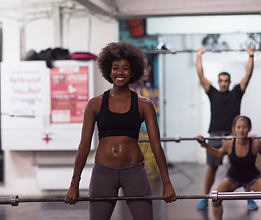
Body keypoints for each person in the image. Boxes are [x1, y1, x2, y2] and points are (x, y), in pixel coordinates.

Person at [64, 42, 176, 219]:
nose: (120, 72)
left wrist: (167, 183)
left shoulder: (144, 104)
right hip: (103, 173)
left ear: (133, 72)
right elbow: (84, 145)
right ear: (109, 71)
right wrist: (74, 183)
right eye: (116, 68)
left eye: (125, 68)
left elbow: (156, 145)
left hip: (134, 172)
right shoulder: (95, 104)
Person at [195, 47, 256, 210]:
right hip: (215, 135)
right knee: (212, 167)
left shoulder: (237, 91)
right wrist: (198, 56)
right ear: (218, 82)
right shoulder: (212, 92)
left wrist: (251, 55)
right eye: (221, 81)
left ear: (229, 82)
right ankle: (205, 198)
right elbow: (201, 76)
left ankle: (250, 199)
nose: (223, 83)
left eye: (226, 81)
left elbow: (248, 75)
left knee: (241, 166)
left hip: (233, 136)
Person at [196, 116, 261, 220]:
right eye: (238, 127)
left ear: (249, 128)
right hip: (233, 177)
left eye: (244, 127)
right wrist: (204, 144)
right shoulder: (229, 143)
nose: (241, 130)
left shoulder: (256, 143)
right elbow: (218, 154)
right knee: (215, 199)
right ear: (234, 129)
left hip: (252, 177)